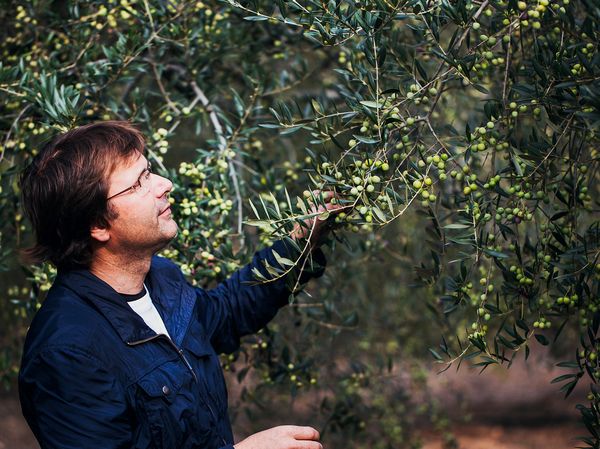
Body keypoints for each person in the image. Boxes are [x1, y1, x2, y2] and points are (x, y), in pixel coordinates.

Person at [18, 121, 337, 449]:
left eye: (149, 170)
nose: (164, 184)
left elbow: (226, 312)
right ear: (97, 224)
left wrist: (300, 243)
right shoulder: (67, 355)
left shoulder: (160, 279)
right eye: (139, 182)